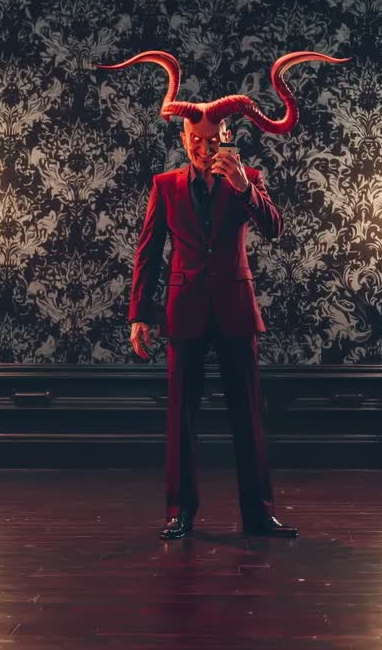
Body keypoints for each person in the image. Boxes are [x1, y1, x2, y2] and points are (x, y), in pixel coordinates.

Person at [98, 50, 348, 540]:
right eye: (195, 140)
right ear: (183, 138)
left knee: (248, 416)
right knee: (180, 418)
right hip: (184, 310)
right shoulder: (165, 186)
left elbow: (274, 229)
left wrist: (243, 188)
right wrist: (139, 315)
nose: (203, 148)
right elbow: (148, 253)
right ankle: (179, 513)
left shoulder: (245, 178)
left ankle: (258, 515)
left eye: (211, 140)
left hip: (236, 309)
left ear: (225, 139)